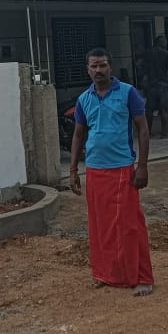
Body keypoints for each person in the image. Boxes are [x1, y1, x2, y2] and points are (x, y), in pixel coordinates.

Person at [69, 47, 154, 297]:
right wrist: (73, 170)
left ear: (110, 67)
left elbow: (143, 129)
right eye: (94, 66)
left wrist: (142, 165)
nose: (98, 70)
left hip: (122, 169)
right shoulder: (84, 99)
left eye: (102, 65)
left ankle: (142, 277)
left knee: (129, 225)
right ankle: (105, 274)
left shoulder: (128, 93)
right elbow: (78, 134)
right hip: (95, 170)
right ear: (88, 69)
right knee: (100, 226)